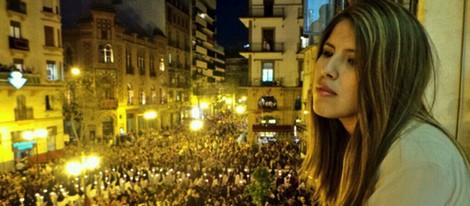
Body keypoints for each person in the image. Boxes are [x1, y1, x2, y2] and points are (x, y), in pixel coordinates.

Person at [300, 0, 470, 205]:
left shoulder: (414, 156)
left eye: (353, 61)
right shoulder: (368, 147)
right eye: (328, 52)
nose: (327, 68)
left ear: (390, 74)